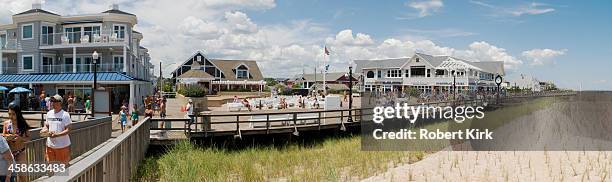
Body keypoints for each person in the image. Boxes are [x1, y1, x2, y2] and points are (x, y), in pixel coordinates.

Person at [41, 95, 72, 165]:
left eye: (54, 101)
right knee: (50, 166)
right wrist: (44, 130)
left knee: (63, 167)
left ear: (60, 103)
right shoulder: (49, 113)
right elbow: (46, 125)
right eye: (52, 101)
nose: (52, 103)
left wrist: (57, 135)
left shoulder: (65, 115)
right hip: (50, 145)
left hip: (62, 146)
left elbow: (69, 129)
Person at [3, 102, 30, 182]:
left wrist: (20, 138)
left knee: (22, 176)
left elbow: (28, 138)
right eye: (9, 114)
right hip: (9, 154)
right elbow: (3, 136)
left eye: (13, 114)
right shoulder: (6, 123)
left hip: (20, 152)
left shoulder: (23, 124)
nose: (11, 116)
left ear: (18, 114)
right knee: (9, 177)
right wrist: (7, 137)